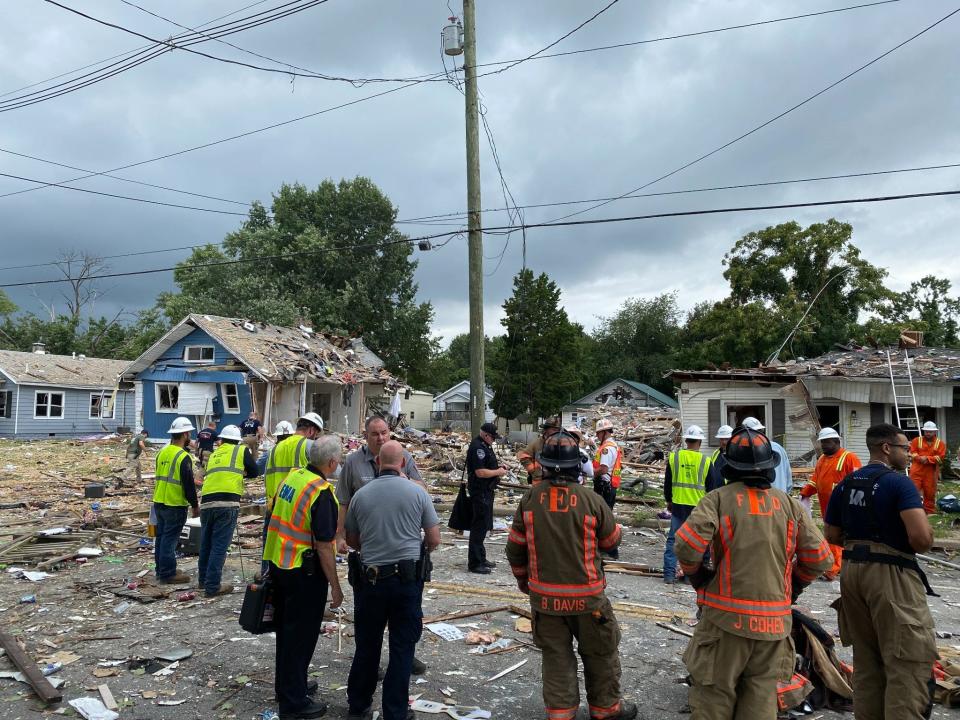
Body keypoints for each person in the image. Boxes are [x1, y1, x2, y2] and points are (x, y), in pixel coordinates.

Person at [676, 426, 833, 719]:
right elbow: (820, 558)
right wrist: (794, 586)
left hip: (725, 622)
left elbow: (687, 546)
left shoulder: (718, 499)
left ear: (728, 466)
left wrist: (699, 579)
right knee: (761, 699)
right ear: (769, 467)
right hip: (774, 626)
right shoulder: (789, 505)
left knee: (714, 697)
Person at [506, 430, 637, 720]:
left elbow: (515, 549)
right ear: (577, 465)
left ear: (544, 464)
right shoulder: (591, 500)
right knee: (600, 655)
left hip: (546, 601)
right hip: (589, 600)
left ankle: (562, 714)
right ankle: (606, 711)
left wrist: (524, 583)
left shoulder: (529, 500)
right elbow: (611, 542)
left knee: (556, 658)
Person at [823, 422, 937, 719]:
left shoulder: (846, 483)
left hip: (852, 573)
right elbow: (922, 540)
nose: (909, 454)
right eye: (904, 448)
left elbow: (832, 535)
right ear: (887, 448)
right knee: (907, 660)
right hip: (892, 575)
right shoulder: (899, 483)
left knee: (867, 659)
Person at [345, 440, 440, 720]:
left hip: (371, 579)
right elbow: (434, 538)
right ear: (402, 463)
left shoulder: (361, 495)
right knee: (402, 647)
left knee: (367, 643)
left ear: (377, 463)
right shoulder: (417, 493)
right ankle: (395, 712)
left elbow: (351, 540)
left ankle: (359, 705)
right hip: (406, 581)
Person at [263, 435, 344, 720]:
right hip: (303, 572)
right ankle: (294, 703)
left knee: (286, 632)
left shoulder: (294, 477)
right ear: (332, 463)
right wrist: (336, 587)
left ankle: (288, 686)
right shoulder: (320, 492)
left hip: (279, 563)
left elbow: (272, 513)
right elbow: (324, 545)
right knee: (300, 637)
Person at [336, 416, 423, 554]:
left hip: (401, 538)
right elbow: (343, 502)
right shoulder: (353, 462)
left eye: (384, 433)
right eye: (375, 434)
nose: (381, 438)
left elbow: (423, 489)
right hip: (366, 539)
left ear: (390, 432)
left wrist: (405, 478)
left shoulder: (404, 457)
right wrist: (340, 537)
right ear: (365, 436)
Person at [198, 424, 258, 597]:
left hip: (207, 501)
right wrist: (243, 472)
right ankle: (212, 586)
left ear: (222, 439)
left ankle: (203, 581)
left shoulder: (216, 453)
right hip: (227, 502)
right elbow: (254, 470)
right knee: (219, 546)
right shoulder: (241, 451)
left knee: (206, 544)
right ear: (237, 440)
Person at [262, 414, 323, 575]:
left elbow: (267, 476)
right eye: (316, 434)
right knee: (297, 555)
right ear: (311, 430)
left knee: (270, 551)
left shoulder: (275, 448)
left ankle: (267, 586)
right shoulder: (308, 445)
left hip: (274, 507)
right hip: (296, 510)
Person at [798, 427, 861, 580]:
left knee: (836, 535)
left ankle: (832, 569)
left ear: (837, 441)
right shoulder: (822, 459)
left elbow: (858, 481)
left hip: (842, 505)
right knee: (830, 535)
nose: (824, 445)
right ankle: (835, 566)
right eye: (822, 442)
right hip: (827, 505)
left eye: (827, 442)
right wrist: (805, 492)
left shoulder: (849, 457)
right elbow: (815, 480)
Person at [663, 425, 722, 584]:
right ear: (700, 442)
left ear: (686, 440)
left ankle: (669, 575)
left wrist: (669, 500)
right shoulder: (706, 461)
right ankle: (691, 576)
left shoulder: (674, 458)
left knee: (673, 540)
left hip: (678, 505)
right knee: (696, 542)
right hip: (698, 509)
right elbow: (711, 489)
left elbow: (667, 483)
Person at [152, 417, 199, 584]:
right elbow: (188, 484)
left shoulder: (161, 452)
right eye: (189, 433)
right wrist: (194, 504)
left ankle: (161, 569)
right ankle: (168, 573)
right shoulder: (183, 456)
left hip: (159, 501)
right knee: (169, 540)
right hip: (174, 503)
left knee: (162, 537)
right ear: (185, 434)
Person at [466, 422, 508, 575]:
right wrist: (498, 472)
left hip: (487, 491)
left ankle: (481, 558)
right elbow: (480, 472)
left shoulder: (485, 445)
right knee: (478, 527)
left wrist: (499, 468)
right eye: (492, 437)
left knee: (484, 526)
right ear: (485, 435)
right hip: (480, 491)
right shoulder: (478, 447)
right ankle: (475, 563)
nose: (494, 440)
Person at [742, 417, 792, 493]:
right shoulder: (779, 448)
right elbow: (789, 482)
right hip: (781, 498)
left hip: (764, 499)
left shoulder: (749, 452)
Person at [909, 420, 946, 514]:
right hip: (917, 469)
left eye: (930, 431)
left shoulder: (940, 443)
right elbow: (912, 453)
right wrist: (919, 458)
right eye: (926, 431)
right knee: (913, 489)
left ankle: (929, 511)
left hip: (931, 471)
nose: (928, 433)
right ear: (923, 431)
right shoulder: (916, 440)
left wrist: (928, 459)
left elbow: (940, 457)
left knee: (930, 491)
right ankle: (913, 509)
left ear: (935, 432)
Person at [517, 416, 562, 484]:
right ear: (546, 429)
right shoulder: (537, 443)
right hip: (539, 482)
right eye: (554, 429)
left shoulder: (561, 443)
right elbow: (524, 457)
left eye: (558, 430)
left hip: (557, 481)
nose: (556, 432)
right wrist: (536, 472)